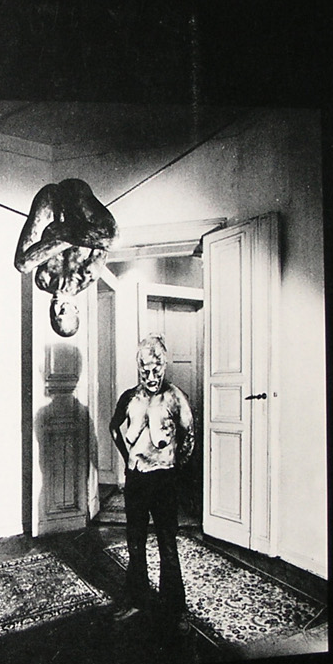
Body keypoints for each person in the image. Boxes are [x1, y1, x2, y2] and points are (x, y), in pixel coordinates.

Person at [109, 334, 195, 636]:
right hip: (137, 479)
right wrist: (128, 459)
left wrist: (174, 469)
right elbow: (114, 428)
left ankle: (175, 608)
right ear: (138, 368)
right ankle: (137, 599)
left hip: (164, 480)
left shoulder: (175, 397)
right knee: (135, 542)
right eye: (145, 369)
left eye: (156, 369)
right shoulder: (130, 398)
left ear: (165, 366)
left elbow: (189, 436)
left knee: (167, 544)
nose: (151, 376)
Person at [14, 179, 117, 336]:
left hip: (49, 202)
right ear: (76, 309)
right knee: (113, 241)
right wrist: (66, 236)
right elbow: (101, 240)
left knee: (23, 265)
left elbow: (33, 252)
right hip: (76, 199)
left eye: (54, 315)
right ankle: (63, 234)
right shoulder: (88, 276)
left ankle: (61, 232)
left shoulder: (43, 282)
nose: (57, 309)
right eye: (63, 312)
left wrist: (59, 236)